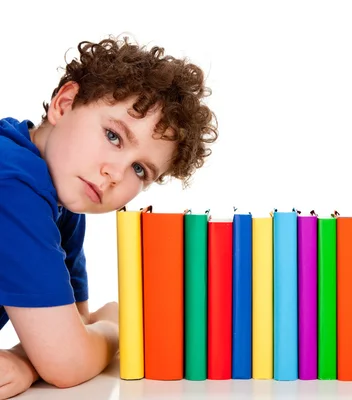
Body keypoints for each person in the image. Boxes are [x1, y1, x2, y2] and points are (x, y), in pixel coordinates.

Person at [0, 35, 218, 398]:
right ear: (64, 103)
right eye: (114, 136)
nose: (115, 173)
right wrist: (118, 324)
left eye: (139, 169)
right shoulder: (13, 182)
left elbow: (72, 329)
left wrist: (30, 360)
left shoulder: (63, 202)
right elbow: (67, 360)